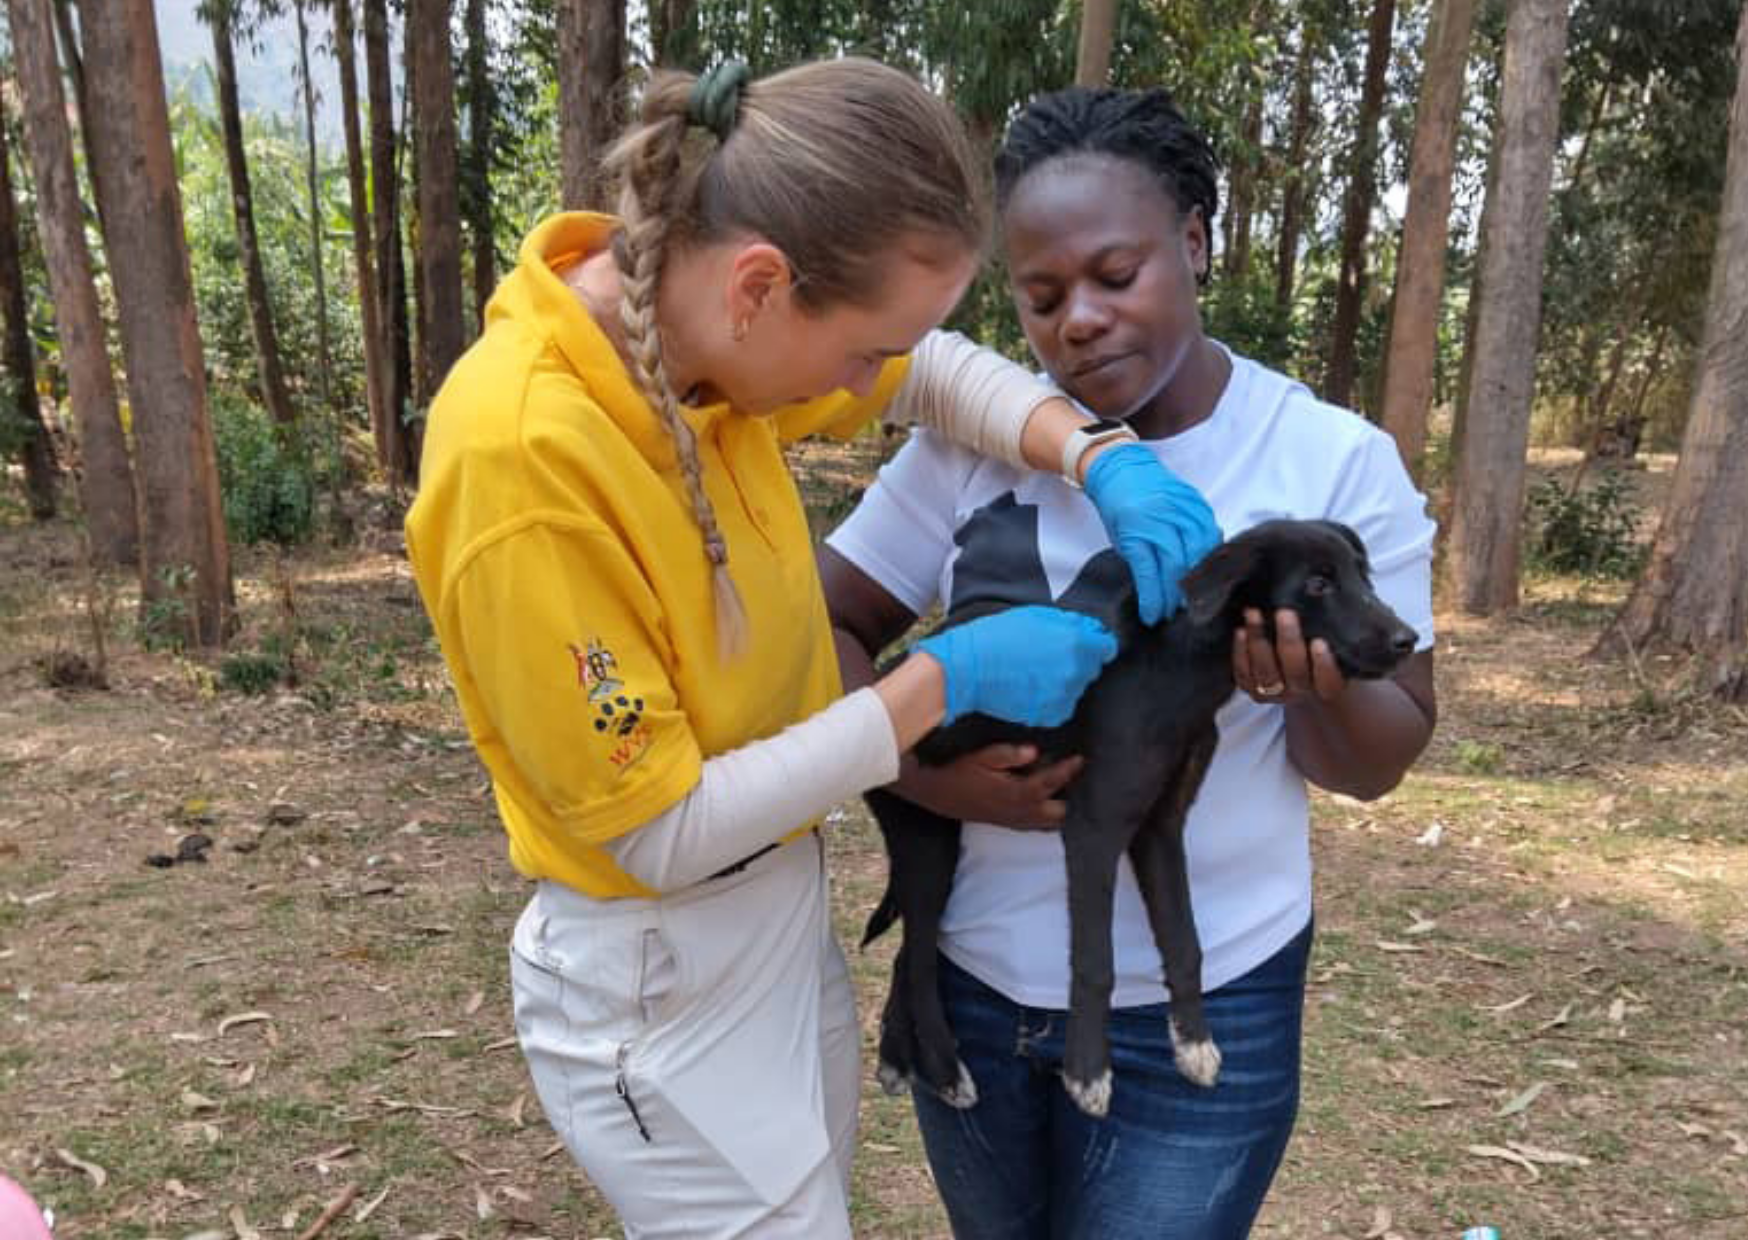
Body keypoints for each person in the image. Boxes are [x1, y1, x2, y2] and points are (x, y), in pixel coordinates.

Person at [405, 60, 1220, 1239]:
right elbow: (659, 826)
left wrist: (1091, 452)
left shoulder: (697, 339)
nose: (865, 382)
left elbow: (924, 369)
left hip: (775, 911)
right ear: (758, 286)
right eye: (857, 350)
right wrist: (939, 682)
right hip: (657, 964)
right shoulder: (524, 464)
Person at [821, 85, 1439, 1239]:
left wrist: (1312, 689)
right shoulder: (972, 443)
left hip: (1204, 1007)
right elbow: (823, 630)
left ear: (1193, 241)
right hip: (980, 985)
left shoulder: (1327, 459)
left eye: (1116, 274)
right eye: (1042, 296)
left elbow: (1381, 755)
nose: (1080, 322)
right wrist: (915, 772)